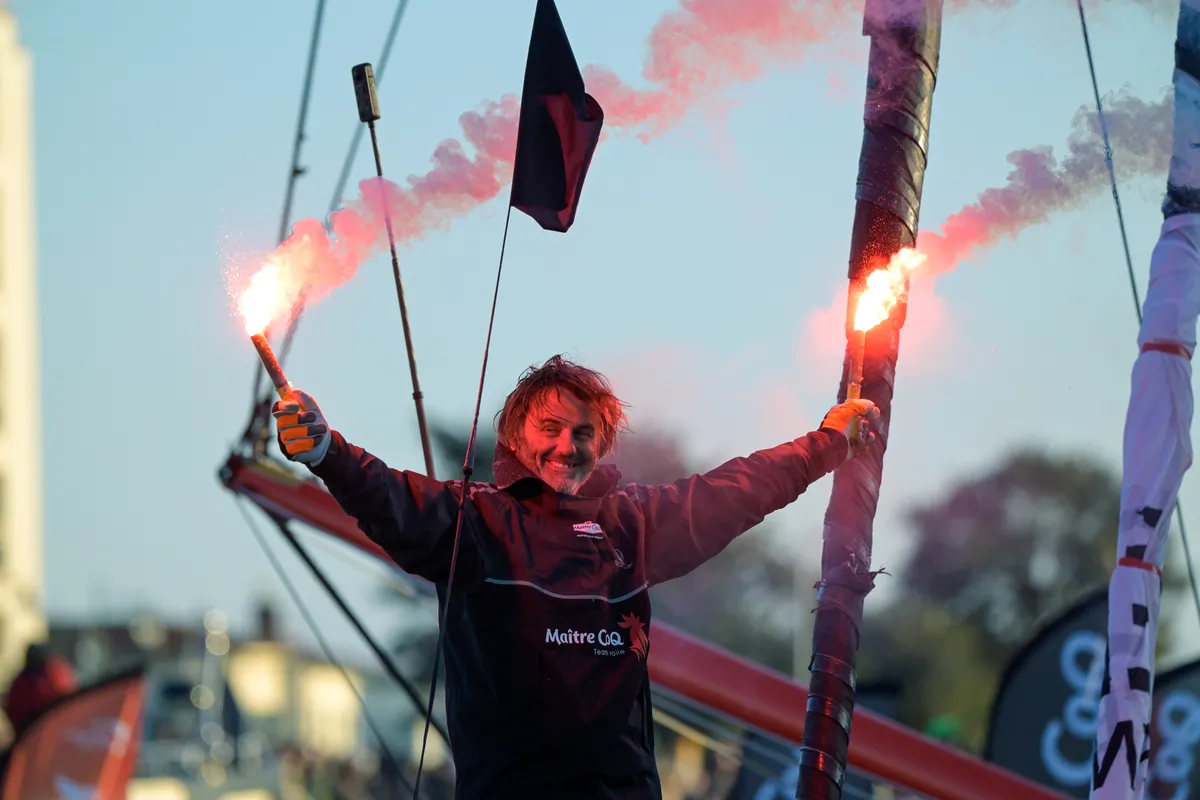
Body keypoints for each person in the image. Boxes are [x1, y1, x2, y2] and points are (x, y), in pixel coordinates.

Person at [272, 355, 879, 799]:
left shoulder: (633, 524)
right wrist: (325, 450)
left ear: (603, 442)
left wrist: (827, 443)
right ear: (516, 437)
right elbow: (387, 496)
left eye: (584, 433)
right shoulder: (475, 522)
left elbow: (733, 489)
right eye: (551, 429)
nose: (569, 446)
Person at [2, 642, 78, 741]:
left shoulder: (55, 673)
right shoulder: (22, 681)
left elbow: (68, 699)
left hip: (52, 728)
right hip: (29, 733)